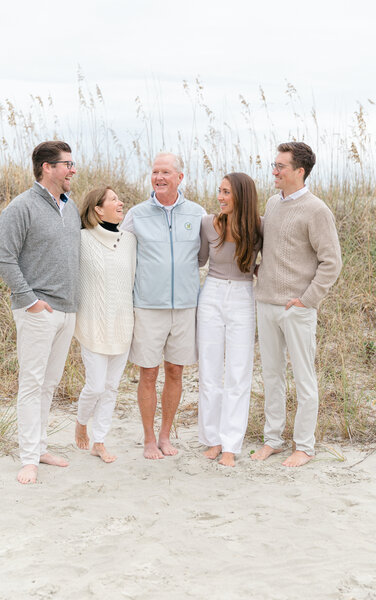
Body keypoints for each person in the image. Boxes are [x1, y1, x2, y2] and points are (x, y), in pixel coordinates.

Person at [251, 142, 342, 467]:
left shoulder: (317, 210)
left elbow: (332, 262)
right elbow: (269, 249)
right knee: (272, 376)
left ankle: (304, 446)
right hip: (266, 303)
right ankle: (273, 440)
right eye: (274, 165)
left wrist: (307, 299)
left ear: (299, 171)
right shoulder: (273, 204)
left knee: (304, 378)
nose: (274, 171)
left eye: (280, 166)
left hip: (297, 308)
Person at [0, 141, 80, 484]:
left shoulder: (69, 207)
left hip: (68, 310)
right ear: (47, 167)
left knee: (50, 384)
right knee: (31, 384)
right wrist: (31, 301)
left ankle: (40, 447)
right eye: (67, 164)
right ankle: (28, 458)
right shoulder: (21, 207)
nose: (73, 170)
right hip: (38, 311)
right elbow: (4, 259)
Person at [121, 152, 205, 459]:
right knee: (148, 372)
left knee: (175, 370)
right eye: (155, 172)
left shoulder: (197, 213)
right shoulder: (137, 214)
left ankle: (166, 436)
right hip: (147, 306)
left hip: (185, 306)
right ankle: (147, 439)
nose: (159, 177)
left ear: (180, 178)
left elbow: (203, 254)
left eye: (166, 172)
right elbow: (120, 254)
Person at [197, 173, 262, 467]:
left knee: (238, 372)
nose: (220, 197)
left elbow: (269, 262)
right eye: (219, 191)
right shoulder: (207, 223)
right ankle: (213, 439)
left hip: (242, 296)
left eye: (226, 192)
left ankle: (231, 445)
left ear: (241, 196)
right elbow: (198, 260)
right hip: (210, 294)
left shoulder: (259, 226)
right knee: (209, 370)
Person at [74, 186, 136, 463]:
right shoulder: (81, 239)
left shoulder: (130, 240)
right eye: (113, 199)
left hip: (123, 323)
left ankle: (99, 441)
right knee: (96, 386)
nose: (120, 202)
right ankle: (81, 420)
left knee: (111, 388)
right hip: (92, 323)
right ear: (98, 209)